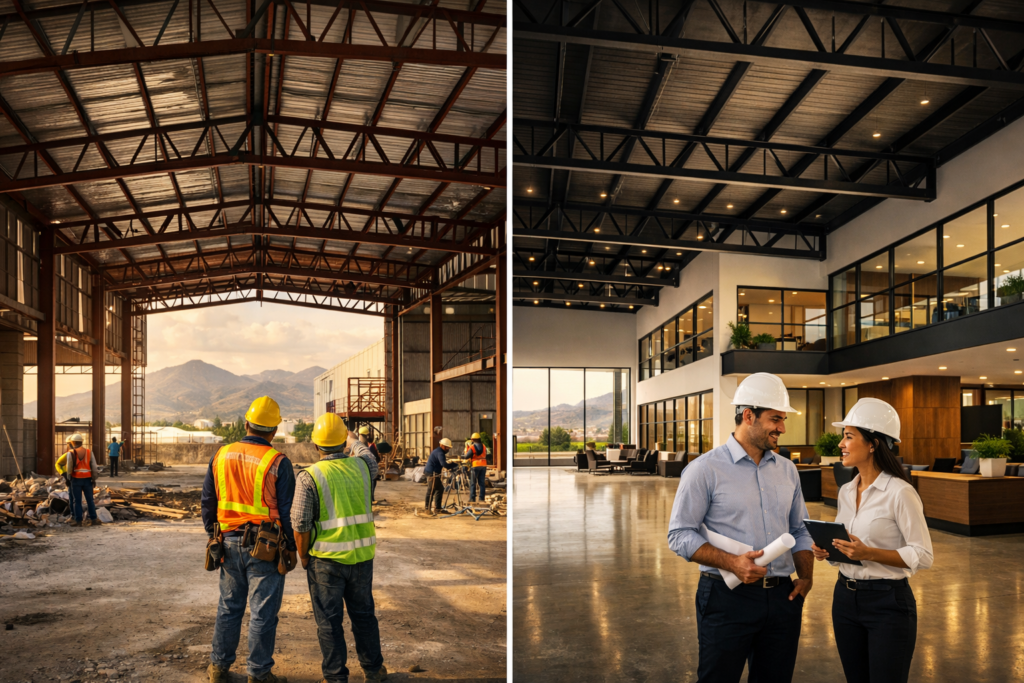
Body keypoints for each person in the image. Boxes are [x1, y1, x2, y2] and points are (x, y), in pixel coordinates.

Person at [668, 372, 814, 683]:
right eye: (776, 419)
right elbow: (679, 534)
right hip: (725, 598)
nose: (782, 429)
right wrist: (732, 562)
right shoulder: (704, 470)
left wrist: (806, 576)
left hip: (782, 599)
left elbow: (799, 530)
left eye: (783, 420)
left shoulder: (788, 470)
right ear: (748, 416)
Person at [811, 398, 933, 683]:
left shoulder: (900, 493)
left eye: (849, 436)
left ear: (873, 444)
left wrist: (869, 553)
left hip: (888, 604)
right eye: (843, 436)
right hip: (844, 599)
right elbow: (851, 550)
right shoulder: (845, 491)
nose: (841, 444)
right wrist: (831, 550)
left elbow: (923, 555)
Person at [201, 396, 297, 683]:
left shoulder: (221, 454)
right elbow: (286, 511)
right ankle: (258, 672)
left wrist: (212, 535)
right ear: (275, 431)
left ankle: (219, 669)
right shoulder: (278, 461)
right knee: (262, 613)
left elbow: (208, 501)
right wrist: (291, 546)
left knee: (229, 608)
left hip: (228, 543)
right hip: (265, 546)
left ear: (245, 424)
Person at [294, 413, 387, 683]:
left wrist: (303, 556)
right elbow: (364, 452)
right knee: (364, 616)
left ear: (315, 446)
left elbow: (300, 524)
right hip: (361, 558)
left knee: (329, 622)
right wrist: (353, 439)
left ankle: (335, 677)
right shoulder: (364, 466)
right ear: (343, 443)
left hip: (325, 561)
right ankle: (373, 670)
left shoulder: (309, 476)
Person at [64, 433, 100, 528]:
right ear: (81, 442)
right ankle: (94, 519)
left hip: (76, 480)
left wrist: (68, 478)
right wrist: (94, 478)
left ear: (72, 442)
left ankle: (78, 521)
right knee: (90, 500)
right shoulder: (89, 452)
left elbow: (69, 467)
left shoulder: (71, 453)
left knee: (77, 501)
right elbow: (94, 466)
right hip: (87, 480)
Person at [422, 438, 454, 516]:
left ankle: (438, 508)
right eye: (447, 447)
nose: (448, 449)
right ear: (442, 446)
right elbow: (444, 464)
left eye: (449, 447)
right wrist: (454, 465)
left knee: (439, 489)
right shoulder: (440, 453)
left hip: (432, 472)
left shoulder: (438, 451)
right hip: (432, 473)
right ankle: (427, 508)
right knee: (431, 490)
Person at [358, 426, 381, 503]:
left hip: (367, 470)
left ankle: (370, 498)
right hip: (371, 470)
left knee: (370, 483)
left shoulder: (367, 447)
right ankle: (371, 498)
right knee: (371, 483)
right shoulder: (371, 446)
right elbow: (377, 458)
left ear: (360, 435)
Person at [467, 432, 488, 504]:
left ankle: (472, 498)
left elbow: (467, 456)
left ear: (473, 439)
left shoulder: (472, 447)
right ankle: (481, 498)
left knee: (473, 483)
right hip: (483, 466)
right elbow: (486, 454)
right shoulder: (484, 446)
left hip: (475, 466)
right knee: (481, 483)